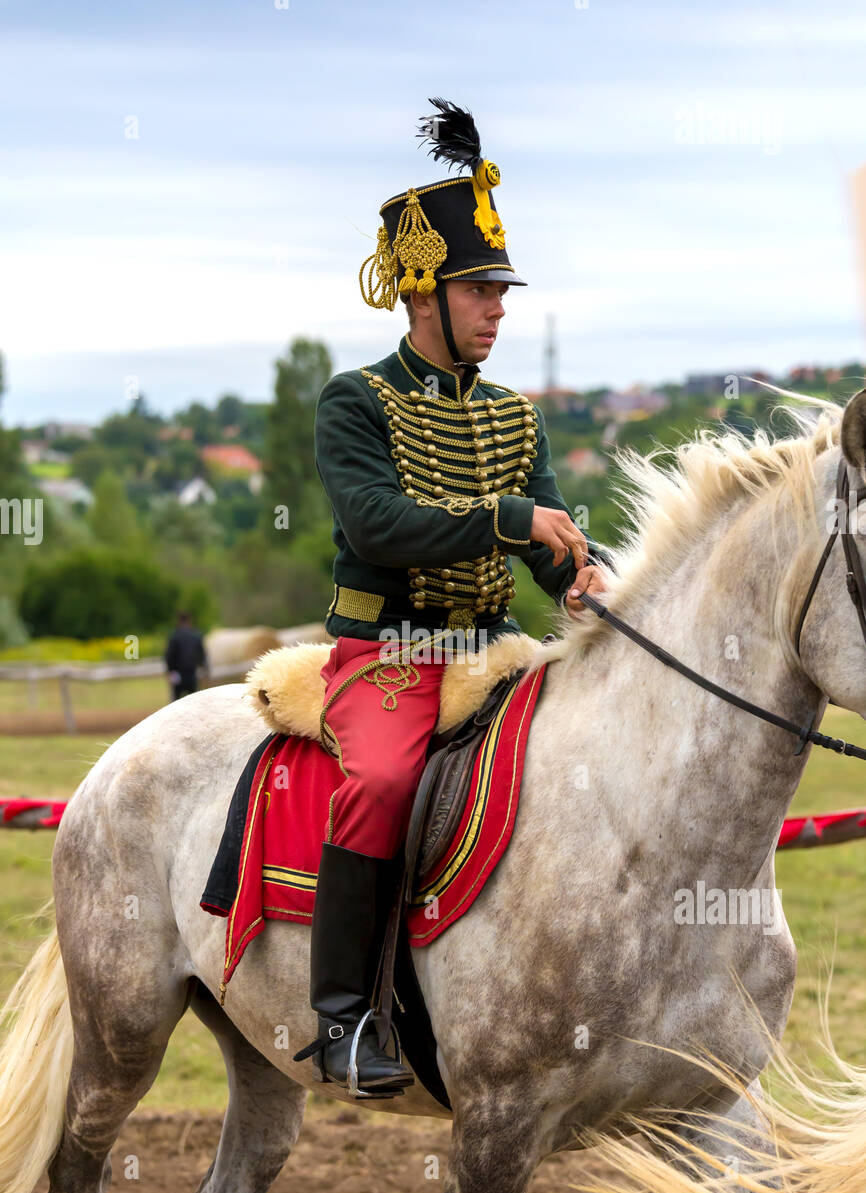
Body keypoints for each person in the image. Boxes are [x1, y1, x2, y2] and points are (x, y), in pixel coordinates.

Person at [293, 99, 611, 1097]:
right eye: (480, 289)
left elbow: (551, 538)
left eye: (501, 291)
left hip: (494, 652)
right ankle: (343, 1016)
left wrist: (580, 575)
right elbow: (379, 524)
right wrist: (509, 522)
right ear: (421, 292)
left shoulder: (515, 414)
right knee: (382, 784)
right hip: (385, 659)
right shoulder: (356, 401)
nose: (499, 308)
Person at [164, 611, 208, 700]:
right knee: (193, 701)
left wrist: (170, 670)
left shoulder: (174, 636)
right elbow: (202, 654)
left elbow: (169, 656)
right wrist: (203, 668)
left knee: (176, 703)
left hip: (178, 674)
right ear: (189, 620)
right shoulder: (196, 635)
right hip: (192, 674)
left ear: (179, 621)